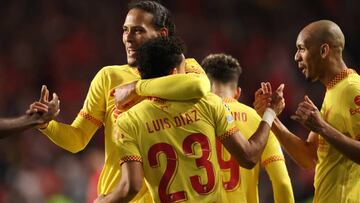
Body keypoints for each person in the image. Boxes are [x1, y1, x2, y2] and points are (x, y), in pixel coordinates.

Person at [30, 1, 211, 202]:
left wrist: (135, 88)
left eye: (138, 31)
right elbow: (77, 139)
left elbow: (201, 87)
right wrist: (46, 124)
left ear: (162, 35)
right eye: (125, 30)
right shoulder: (109, 78)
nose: (129, 38)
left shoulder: (185, 69)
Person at [95, 36, 285, 203]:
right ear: (174, 75)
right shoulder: (208, 103)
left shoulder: (128, 121)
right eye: (184, 68)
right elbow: (249, 157)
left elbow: (131, 188)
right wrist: (269, 113)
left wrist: (103, 201)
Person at [254, 20, 360, 202]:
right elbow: (309, 157)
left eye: (301, 48)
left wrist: (322, 128)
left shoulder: (352, 90)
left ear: (324, 51)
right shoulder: (334, 91)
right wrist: (271, 116)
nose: (296, 57)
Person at [201, 53, 294, 203]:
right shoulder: (261, 122)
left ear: (205, 88)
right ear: (238, 93)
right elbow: (282, 183)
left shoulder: (194, 119)